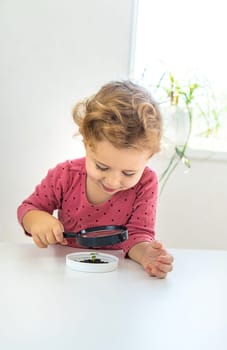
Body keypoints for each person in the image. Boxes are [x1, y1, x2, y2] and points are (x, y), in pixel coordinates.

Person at [17, 80, 173, 278]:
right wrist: (38, 220)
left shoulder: (146, 182)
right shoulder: (65, 175)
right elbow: (28, 208)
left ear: (148, 157)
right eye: (102, 167)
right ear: (86, 143)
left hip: (117, 276)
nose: (113, 181)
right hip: (64, 272)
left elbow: (136, 236)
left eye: (128, 173)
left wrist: (146, 256)